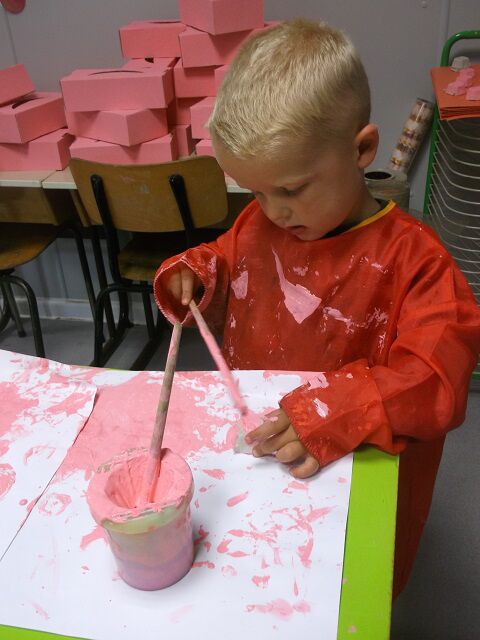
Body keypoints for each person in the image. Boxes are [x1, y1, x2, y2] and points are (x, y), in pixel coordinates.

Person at [153, 19, 480, 596]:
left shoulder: (418, 263)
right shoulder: (263, 222)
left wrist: (338, 408)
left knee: (333, 591)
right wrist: (196, 275)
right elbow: (228, 259)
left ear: (362, 149)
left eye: (291, 189)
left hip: (353, 472)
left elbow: (437, 382)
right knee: (257, 579)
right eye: (255, 191)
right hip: (267, 446)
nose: (272, 211)